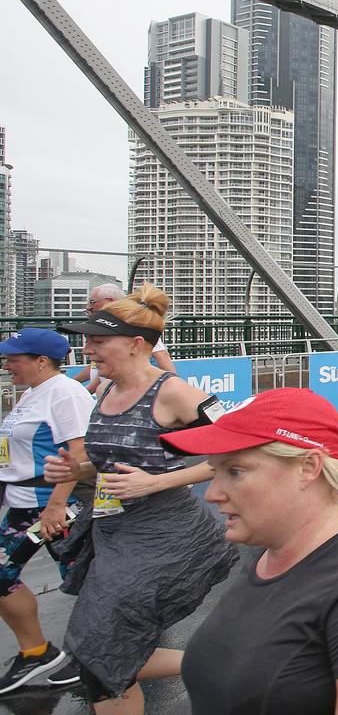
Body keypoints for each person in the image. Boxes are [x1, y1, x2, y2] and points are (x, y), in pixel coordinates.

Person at [157, 388, 338, 715]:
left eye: (235, 471)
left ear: (309, 467)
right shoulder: (268, 550)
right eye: (214, 471)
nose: (214, 493)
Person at [47, 283, 238, 713]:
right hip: (111, 532)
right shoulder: (105, 391)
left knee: (102, 651)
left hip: (164, 537)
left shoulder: (174, 393)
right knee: (103, 657)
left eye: (98, 341)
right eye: (86, 340)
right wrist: (76, 470)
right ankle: (223, 662)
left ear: (135, 345)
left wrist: (156, 482)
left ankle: (226, 662)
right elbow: (114, 461)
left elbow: (237, 452)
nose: (88, 349)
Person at [0, 329, 94, 693]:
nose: (7, 365)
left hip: (54, 507)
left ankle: (92, 653)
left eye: (14, 359)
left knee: (84, 581)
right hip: (25, 505)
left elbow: (80, 452)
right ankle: (37, 651)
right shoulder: (30, 394)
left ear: (42, 360)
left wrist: (57, 505)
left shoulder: (65, 393)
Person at [72, 284, 175, 393]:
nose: (89, 307)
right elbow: (98, 368)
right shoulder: (105, 389)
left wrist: (171, 386)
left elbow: (163, 359)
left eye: (99, 342)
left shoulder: (135, 324)